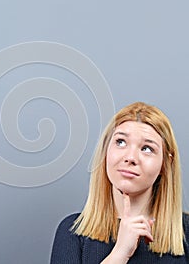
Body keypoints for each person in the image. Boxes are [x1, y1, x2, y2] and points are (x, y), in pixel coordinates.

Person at [50, 102, 189, 263]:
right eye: (121, 142)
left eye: (146, 148)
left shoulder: (185, 231)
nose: (130, 157)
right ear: (106, 151)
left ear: (165, 164)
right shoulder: (72, 231)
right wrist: (120, 253)